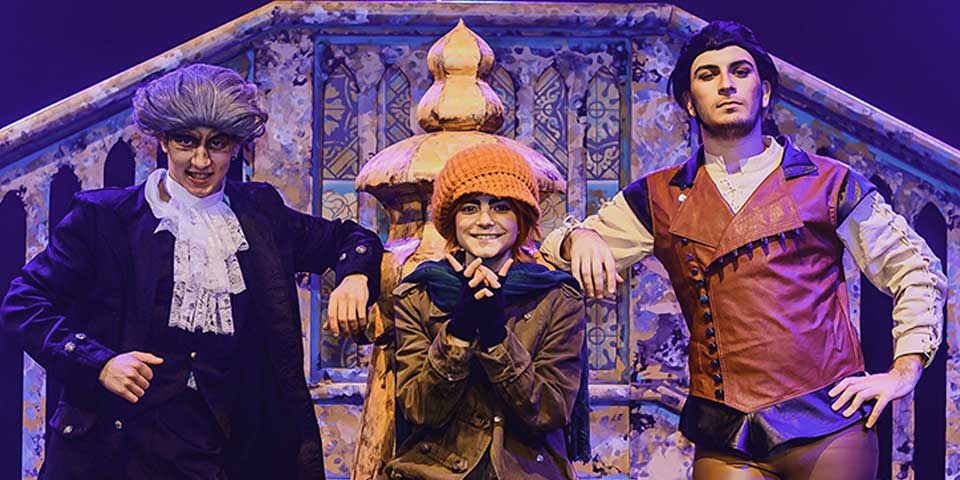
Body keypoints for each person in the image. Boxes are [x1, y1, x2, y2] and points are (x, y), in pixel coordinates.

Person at [539, 20, 946, 480]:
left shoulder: (827, 183)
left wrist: (903, 371)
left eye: (740, 71)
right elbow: (549, 254)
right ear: (689, 101)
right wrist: (579, 236)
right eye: (708, 74)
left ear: (764, 92)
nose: (726, 84)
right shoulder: (658, 197)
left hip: (828, 421)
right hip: (727, 430)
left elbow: (916, 269)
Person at [0, 64, 383, 480]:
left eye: (216, 144)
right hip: (124, 448)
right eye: (186, 141)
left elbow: (352, 239)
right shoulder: (105, 218)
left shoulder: (260, 214)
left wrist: (355, 276)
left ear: (235, 147)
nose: (201, 161)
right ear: (163, 140)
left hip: (229, 453)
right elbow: (23, 303)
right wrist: (100, 364)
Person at [384, 143, 590, 479]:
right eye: (469, 208)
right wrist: (458, 334)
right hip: (437, 469)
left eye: (500, 207)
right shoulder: (418, 294)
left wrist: (497, 338)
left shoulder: (557, 298)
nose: (484, 221)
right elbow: (420, 410)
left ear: (520, 217)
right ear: (452, 219)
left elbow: (550, 410)